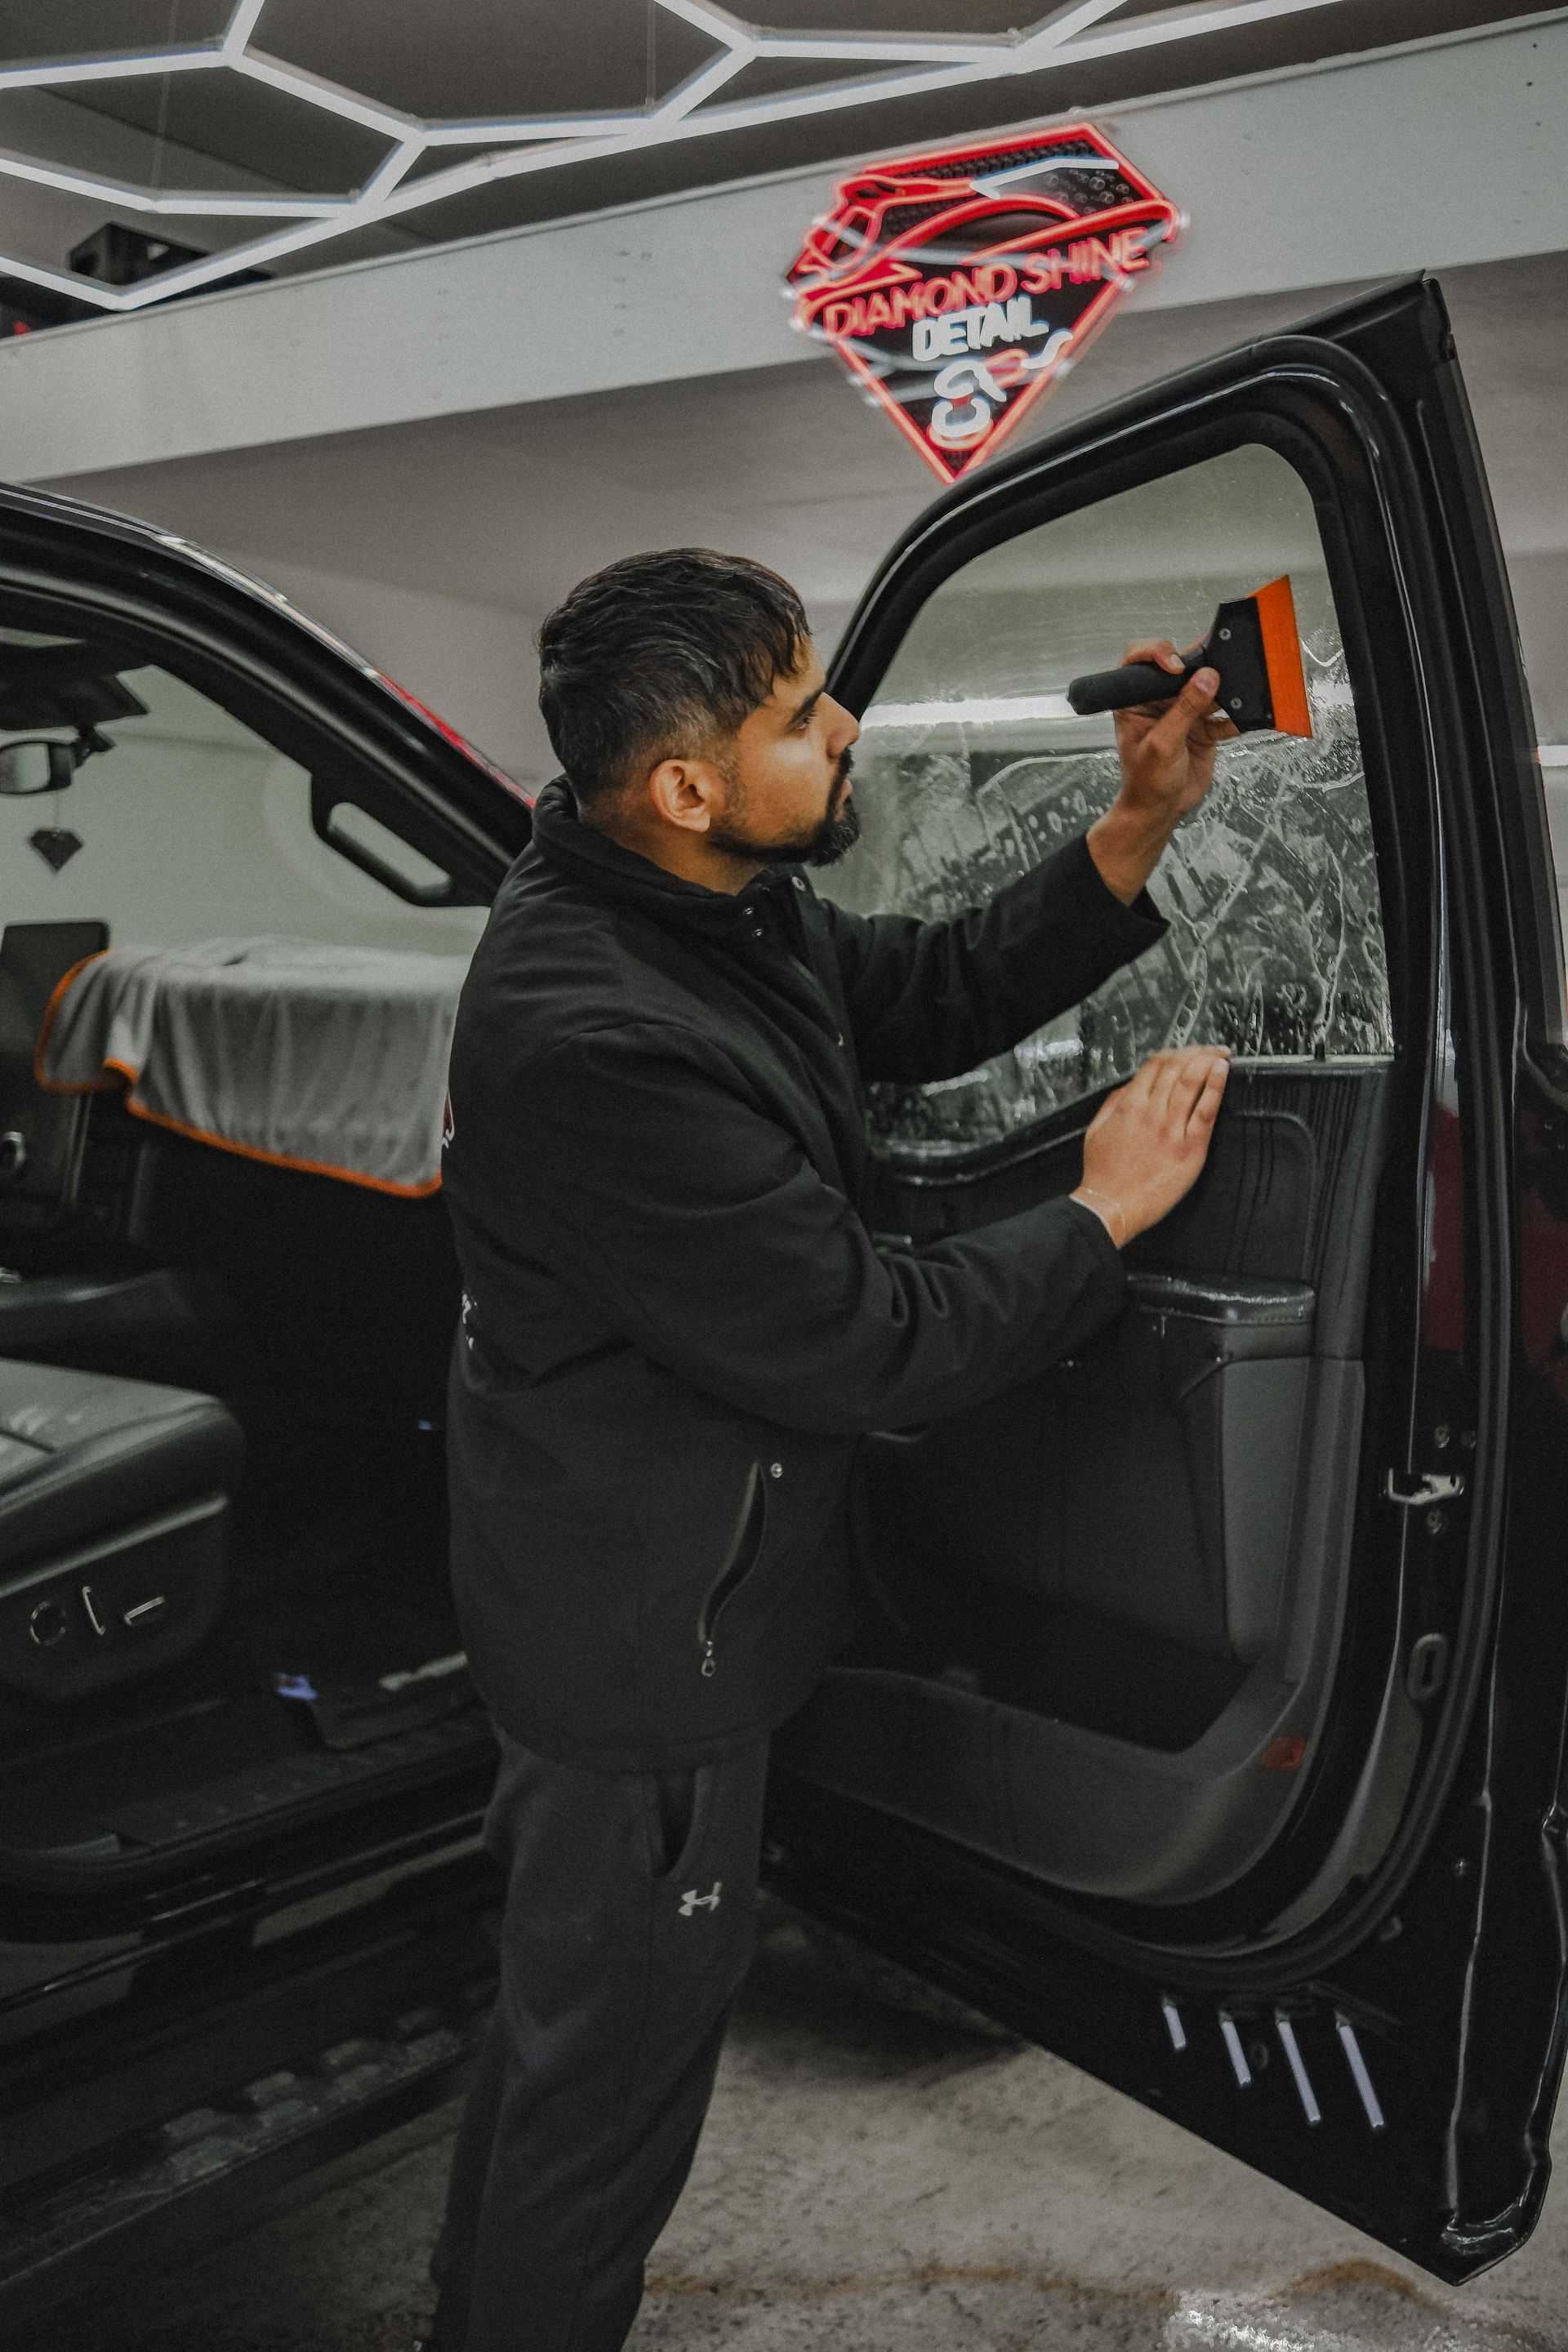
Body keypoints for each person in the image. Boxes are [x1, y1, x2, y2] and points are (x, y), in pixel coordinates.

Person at [421, 546, 1232, 2352]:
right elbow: (870, 1344)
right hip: (646, 1657)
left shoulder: (710, 899)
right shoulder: (595, 1034)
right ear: (685, 784)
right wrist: (1098, 1221)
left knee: (573, 2045)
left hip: (646, 1589)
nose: (847, 725)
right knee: (608, 2107)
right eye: (804, 713)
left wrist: (1135, 831)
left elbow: (921, 994)